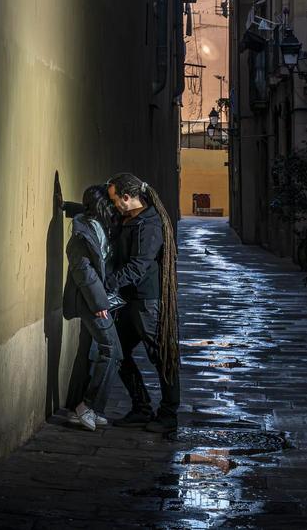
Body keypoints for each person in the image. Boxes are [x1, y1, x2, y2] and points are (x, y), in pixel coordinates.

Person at [103, 172, 180, 433]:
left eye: (115, 200)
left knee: (161, 357)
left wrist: (108, 283)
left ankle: (169, 415)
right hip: (131, 300)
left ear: (127, 197)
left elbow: (138, 266)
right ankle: (141, 407)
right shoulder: (129, 218)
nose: (114, 205)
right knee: (118, 351)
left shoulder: (150, 226)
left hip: (147, 301)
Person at [60, 184, 124, 431]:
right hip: (91, 301)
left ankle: (82, 408)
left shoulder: (98, 224)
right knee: (111, 350)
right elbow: (83, 272)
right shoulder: (81, 233)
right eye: (108, 203)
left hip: (99, 299)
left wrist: (65, 205)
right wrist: (99, 303)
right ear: (100, 206)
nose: (112, 206)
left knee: (89, 351)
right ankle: (87, 406)